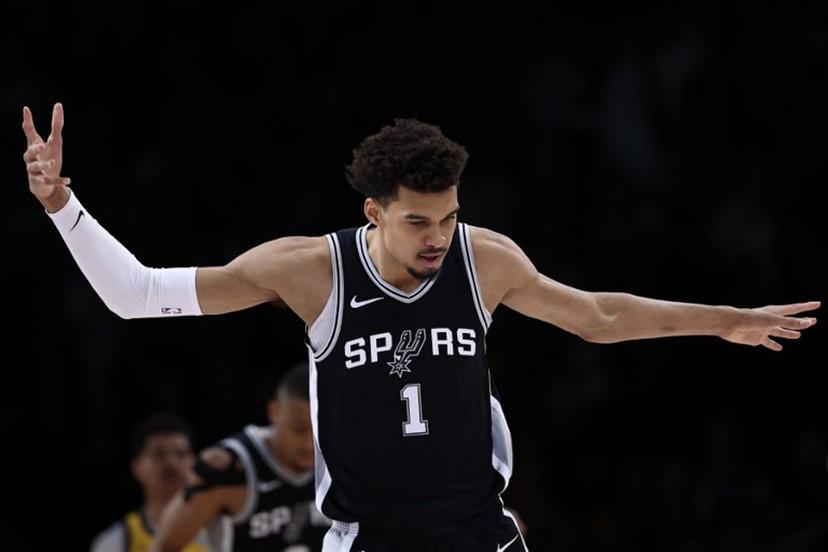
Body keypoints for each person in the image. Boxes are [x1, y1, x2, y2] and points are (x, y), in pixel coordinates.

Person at [25, 103, 818, 551]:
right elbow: (137, 293)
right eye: (416, 222)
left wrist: (729, 321)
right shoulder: (313, 270)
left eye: (449, 216)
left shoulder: (485, 259)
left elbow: (600, 316)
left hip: (478, 534)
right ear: (372, 213)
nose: (438, 237)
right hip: (371, 540)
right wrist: (63, 206)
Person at [151, 362, 330, 551]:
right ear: (274, 411)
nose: (308, 443)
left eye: (319, 429)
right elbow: (164, 546)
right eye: (299, 429)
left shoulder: (341, 458)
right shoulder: (225, 468)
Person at [90, 413, 208, 552]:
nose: (171, 462)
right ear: (137, 468)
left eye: (181, 453)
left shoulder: (220, 530)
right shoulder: (115, 541)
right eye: (158, 454)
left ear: (194, 462)